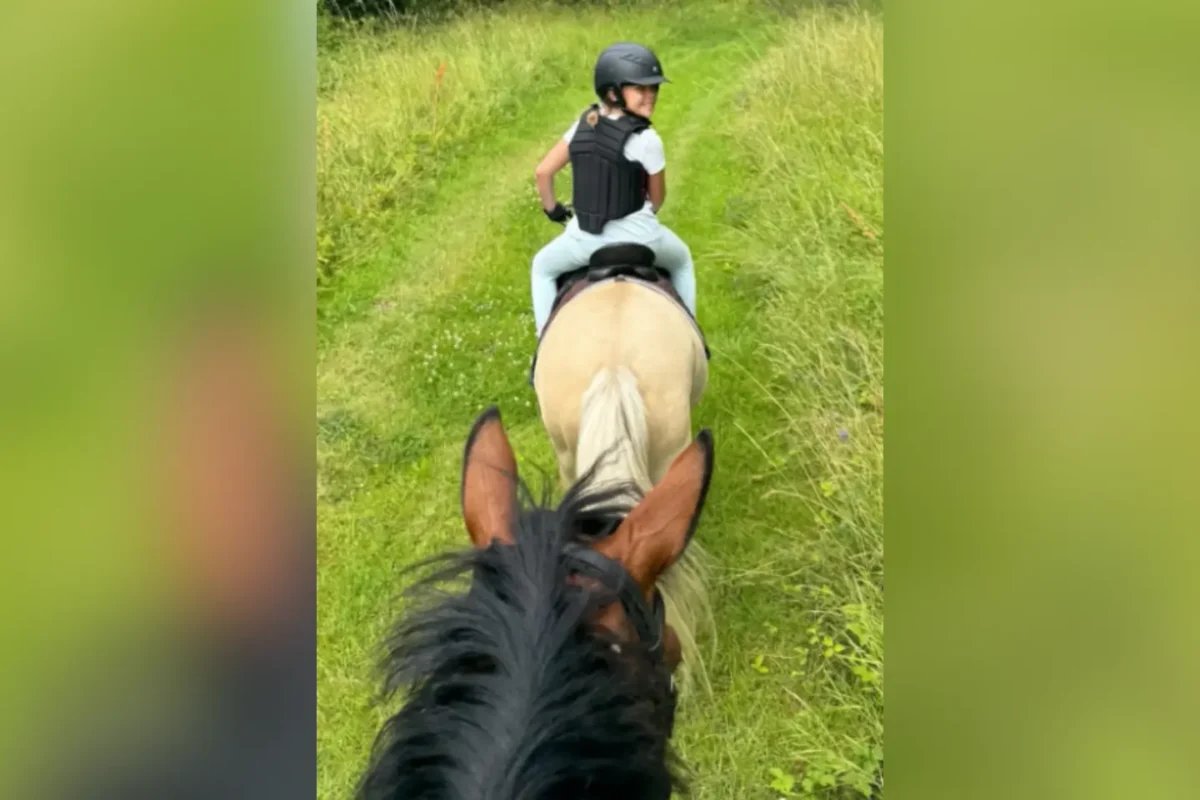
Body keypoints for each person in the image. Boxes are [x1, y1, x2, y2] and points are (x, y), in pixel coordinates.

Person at [530, 42, 697, 336]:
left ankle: (545, 341)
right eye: (640, 89)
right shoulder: (648, 139)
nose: (651, 96)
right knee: (682, 262)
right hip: (644, 241)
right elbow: (657, 200)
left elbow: (543, 172)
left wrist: (553, 209)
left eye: (653, 88)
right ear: (613, 92)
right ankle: (691, 334)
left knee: (542, 268)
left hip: (585, 240)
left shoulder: (581, 126)